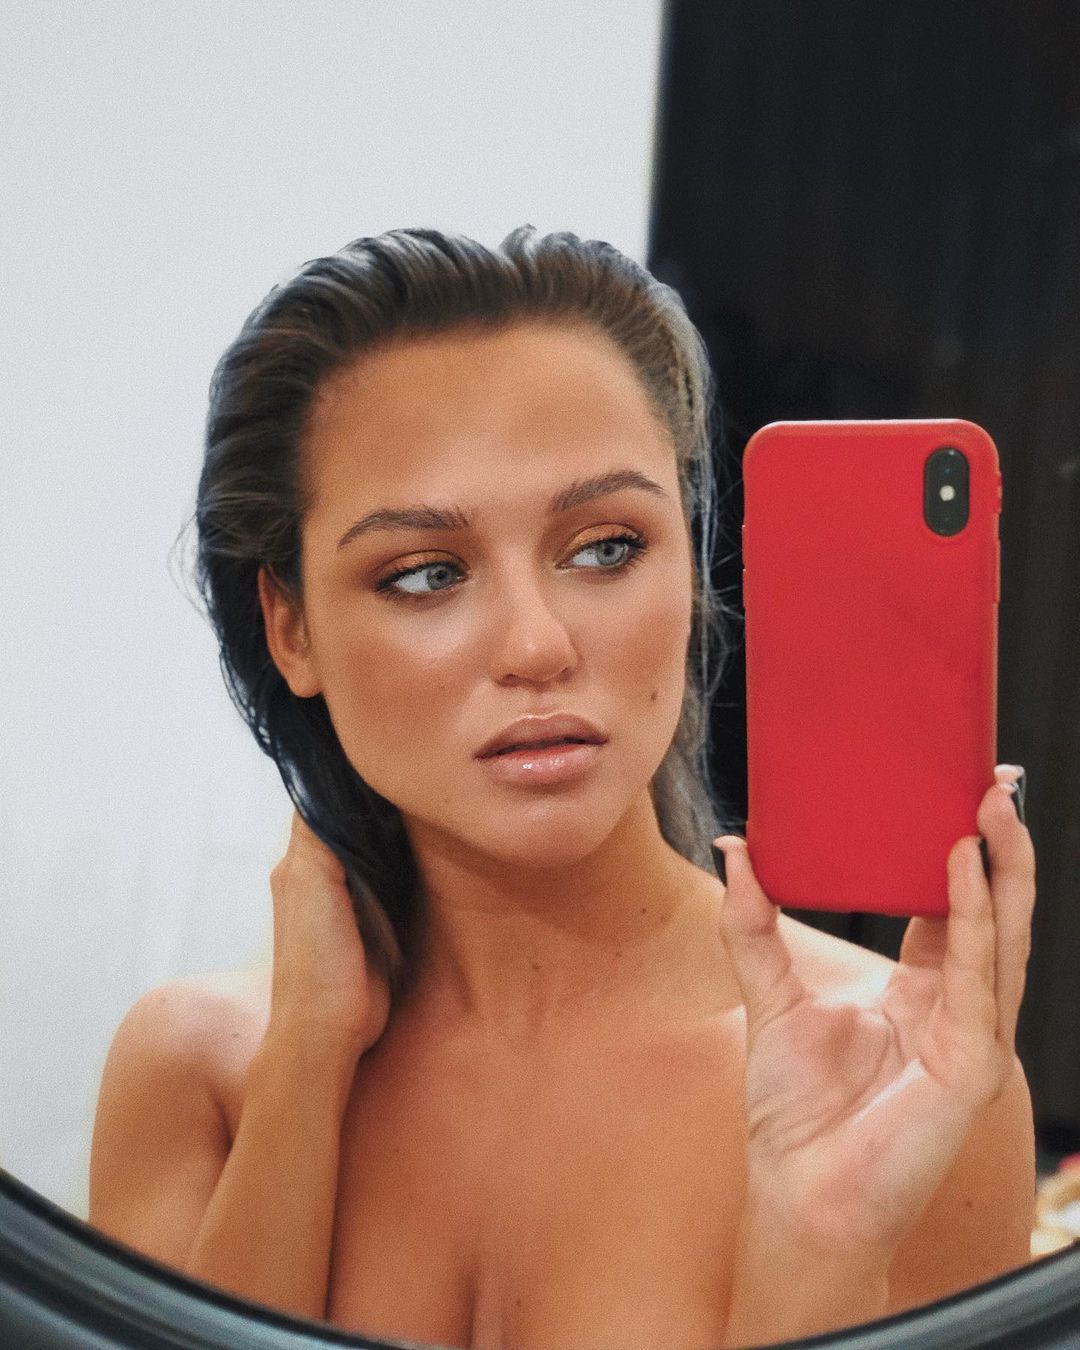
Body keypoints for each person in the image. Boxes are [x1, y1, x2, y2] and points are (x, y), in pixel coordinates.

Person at [87, 226, 1037, 1350]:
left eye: (605, 549)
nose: (537, 645)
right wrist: (303, 1070)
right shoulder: (198, 1071)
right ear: (289, 627)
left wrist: (820, 1246)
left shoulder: (897, 1081)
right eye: (426, 574)